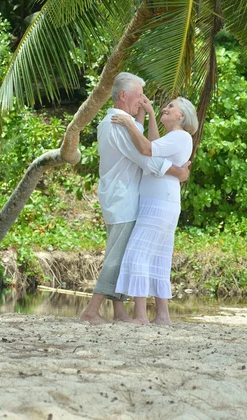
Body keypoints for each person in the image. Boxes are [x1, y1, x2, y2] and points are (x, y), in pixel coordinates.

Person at [81, 73, 190, 324]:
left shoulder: (115, 121)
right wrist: (178, 172)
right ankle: (91, 311)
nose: (143, 99)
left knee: (120, 253)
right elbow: (145, 157)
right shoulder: (119, 123)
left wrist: (141, 115)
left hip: (119, 196)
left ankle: (120, 312)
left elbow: (138, 135)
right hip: (123, 198)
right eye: (139, 94)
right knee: (117, 256)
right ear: (123, 95)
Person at [111, 96, 198, 325]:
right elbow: (154, 144)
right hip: (163, 201)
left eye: (171, 107)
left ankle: (140, 316)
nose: (165, 108)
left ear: (182, 116)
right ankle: (162, 315)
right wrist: (149, 114)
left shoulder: (181, 136)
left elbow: (147, 148)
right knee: (159, 257)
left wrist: (130, 123)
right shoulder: (175, 138)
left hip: (159, 202)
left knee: (137, 253)